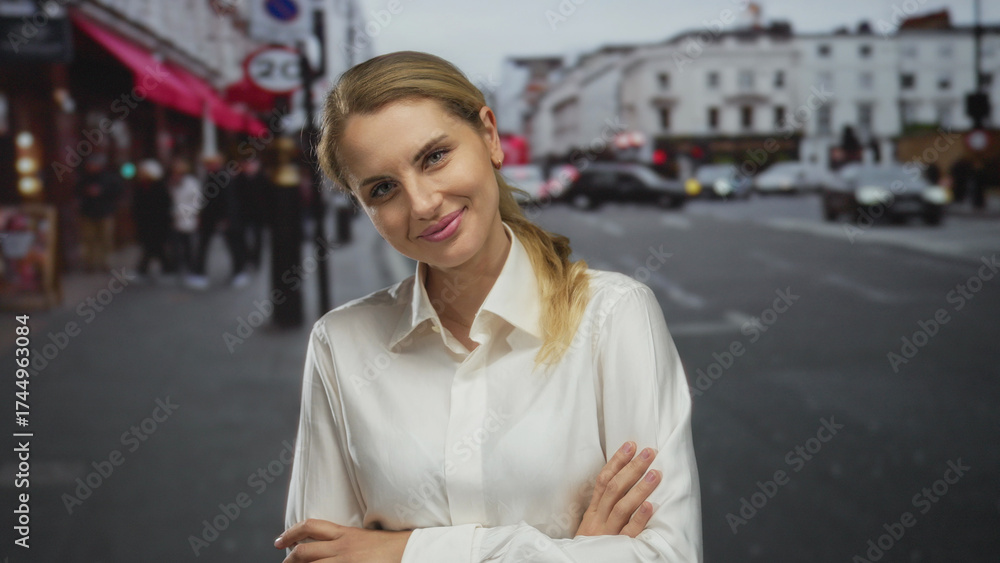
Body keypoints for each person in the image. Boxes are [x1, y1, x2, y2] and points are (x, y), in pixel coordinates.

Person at [276, 51, 702, 562]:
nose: (422, 203)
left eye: (434, 157)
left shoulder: (613, 316)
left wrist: (403, 552)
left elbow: (668, 555)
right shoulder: (341, 344)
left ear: (490, 136)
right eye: (383, 189)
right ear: (364, 208)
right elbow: (320, 558)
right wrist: (576, 551)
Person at [75, 154, 123, 271]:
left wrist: (102, 192)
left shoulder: (109, 178)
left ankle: (105, 262)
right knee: (89, 239)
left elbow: (117, 191)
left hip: (105, 212)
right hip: (88, 213)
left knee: (105, 239)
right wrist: (86, 192)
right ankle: (90, 263)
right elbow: (76, 192)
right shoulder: (84, 178)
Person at [130, 159, 173, 280]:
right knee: (154, 248)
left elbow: (164, 206)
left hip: (157, 223)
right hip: (145, 223)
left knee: (152, 247)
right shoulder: (141, 187)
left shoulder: (159, 188)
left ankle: (143, 270)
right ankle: (167, 267)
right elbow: (137, 205)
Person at [167, 158, 201, 279]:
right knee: (175, 246)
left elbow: (196, 202)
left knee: (188, 246)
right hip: (174, 220)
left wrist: (185, 213)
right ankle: (176, 267)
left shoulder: (192, 183)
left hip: (187, 219)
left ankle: (191, 267)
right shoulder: (171, 183)